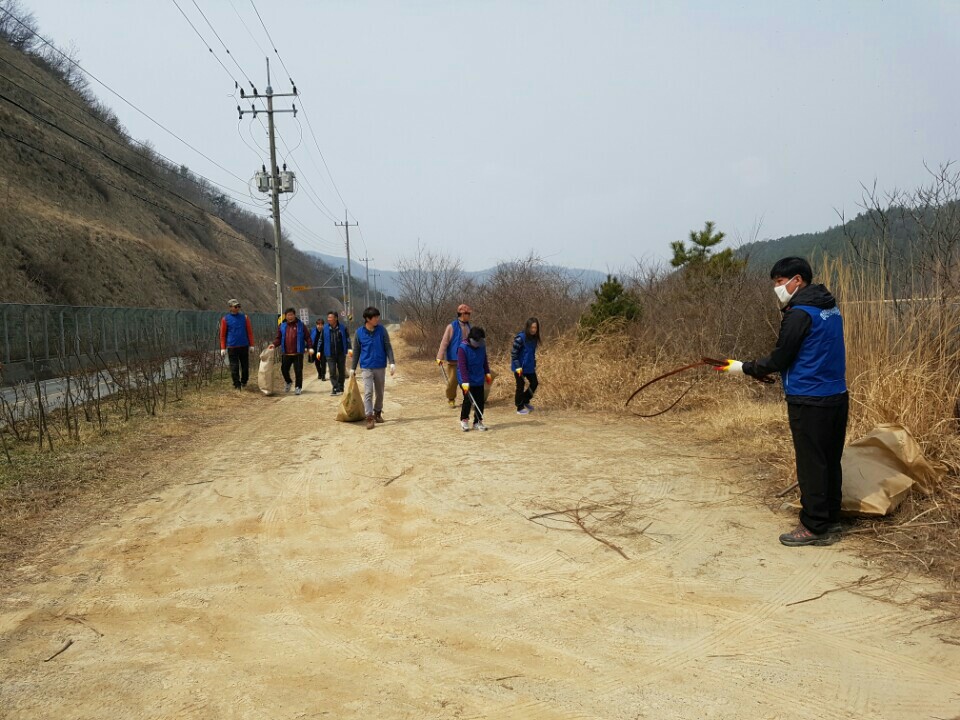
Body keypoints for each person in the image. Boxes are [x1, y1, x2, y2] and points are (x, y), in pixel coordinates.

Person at [713, 257, 848, 547]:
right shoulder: (830, 308)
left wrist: (742, 367)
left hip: (809, 398)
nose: (777, 287)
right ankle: (830, 519)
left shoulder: (800, 313)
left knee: (811, 464)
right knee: (829, 460)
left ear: (797, 280)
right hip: (837, 396)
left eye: (779, 281)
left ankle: (813, 527)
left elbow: (780, 357)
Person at [350, 306, 396, 429]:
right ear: (367, 319)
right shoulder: (359, 333)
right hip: (366, 367)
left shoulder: (382, 330)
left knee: (380, 392)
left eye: (377, 317)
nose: (377, 319)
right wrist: (353, 368)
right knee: (368, 392)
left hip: (380, 366)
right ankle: (369, 417)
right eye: (375, 317)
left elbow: (388, 347)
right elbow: (356, 351)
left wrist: (392, 362)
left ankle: (377, 412)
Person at [269, 308, 314, 395]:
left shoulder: (301, 325)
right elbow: (278, 338)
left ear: (294, 315)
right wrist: (274, 344)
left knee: (298, 371)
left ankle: (298, 387)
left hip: (298, 352)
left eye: (291, 315)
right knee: (284, 369)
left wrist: (310, 347)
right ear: (285, 316)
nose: (290, 317)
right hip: (286, 353)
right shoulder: (282, 326)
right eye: (288, 315)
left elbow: (308, 337)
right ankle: (288, 381)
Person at [436, 304, 473, 408]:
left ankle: (468, 400)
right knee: (452, 382)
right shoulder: (451, 326)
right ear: (461, 314)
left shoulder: (469, 326)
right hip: (454, 360)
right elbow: (444, 342)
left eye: (469, 313)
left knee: (466, 381)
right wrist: (440, 357)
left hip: (466, 360)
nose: (469, 315)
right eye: (467, 313)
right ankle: (451, 399)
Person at [457, 326, 492, 432]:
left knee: (480, 400)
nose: (479, 343)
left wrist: (487, 373)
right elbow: (462, 366)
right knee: (468, 400)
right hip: (465, 379)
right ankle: (464, 420)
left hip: (478, 377)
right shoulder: (462, 348)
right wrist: (465, 382)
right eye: (477, 341)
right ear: (471, 339)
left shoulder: (482, 346)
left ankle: (478, 421)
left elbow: (484, 360)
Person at [219, 299, 255, 390]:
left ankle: (244, 381)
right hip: (232, 347)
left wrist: (251, 345)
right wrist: (223, 348)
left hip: (244, 345)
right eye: (235, 306)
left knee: (245, 366)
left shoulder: (245, 318)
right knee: (234, 367)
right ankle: (236, 384)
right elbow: (222, 335)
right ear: (230, 307)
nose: (237, 308)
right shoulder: (225, 319)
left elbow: (249, 332)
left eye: (238, 306)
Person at [511, 317, 541, 415]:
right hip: (519, 367)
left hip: (529, 366)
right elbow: (514, 353)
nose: (533, 330)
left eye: (535, 328)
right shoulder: (520, 338)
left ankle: (524, 400)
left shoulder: (534, 339)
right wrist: (518, 367)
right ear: (528, 327)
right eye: (532, 327)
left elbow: (531, 353)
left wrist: (534, 363)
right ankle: (519, 407)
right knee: (520, 385)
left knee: (534, 383)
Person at [320, 311, 351, 396]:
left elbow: (347, 339)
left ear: (336, 318)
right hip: (329, 354)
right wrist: (318, 351)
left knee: (341, 371)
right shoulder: (325, 328)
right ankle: (335, 387)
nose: (329, 319)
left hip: (341, 353)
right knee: (332, 371)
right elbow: (321, 340)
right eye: (328, 318)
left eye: (331, 317)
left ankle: (341, 387)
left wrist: (349, 348)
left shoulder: (342, 328)